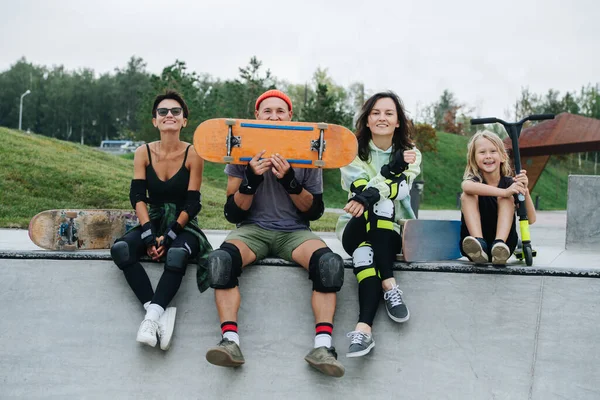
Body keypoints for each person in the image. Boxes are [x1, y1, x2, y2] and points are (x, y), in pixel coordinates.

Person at [203, 89, 345, 377]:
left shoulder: (309, 148)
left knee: (329, 265)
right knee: (221, 261)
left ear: (290, 116)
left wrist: (291, 181)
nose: (274, 116)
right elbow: (232, 213)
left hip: (294, 232)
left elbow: (314, 211)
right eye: (267, 111)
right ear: (257, 115)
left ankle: (323, 346)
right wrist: (251, 180)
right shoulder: (241, 150)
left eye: (280, 111)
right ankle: (230, 342)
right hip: (252, 230)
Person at [110, 90, 212, 350]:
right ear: (154, 120)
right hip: (152, 218)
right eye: (163, 112)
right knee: (121, 249)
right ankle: (156, 314)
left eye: (176, 112)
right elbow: (137, 196)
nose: (169, 115)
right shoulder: (143, 152)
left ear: (184, 121)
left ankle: (151, 317)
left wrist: (171, 235)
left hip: (182, 221)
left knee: (176, 254)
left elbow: (193, 202)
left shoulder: (193, 154)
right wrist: (146, 233)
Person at [335, 91, 421, 358]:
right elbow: (358, 184)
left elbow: (401, 190)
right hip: (354, 226)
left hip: (390, 232)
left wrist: (371, 192)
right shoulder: (351, 150)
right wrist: (384, 179)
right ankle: (390, 284)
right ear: (367, 120)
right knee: (380, 206)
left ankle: (364, 329)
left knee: (364, 255)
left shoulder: (410, 154)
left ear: (398, 121)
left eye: (388, 113)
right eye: (376, 113)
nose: (382, 118)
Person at [460, 130, 536, 265]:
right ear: (474, 159)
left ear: (503, 157)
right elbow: (466, 187)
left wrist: (525, 190)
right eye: (482, 152)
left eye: (493, 151)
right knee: (467, 196)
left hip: (505, 245)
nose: (488, 156)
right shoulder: (474, 181)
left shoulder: (510, 184)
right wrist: (504, 192)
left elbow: (531, 219)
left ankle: (499, 244)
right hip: (473, 245)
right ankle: (480, 244)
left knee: (507, 199)